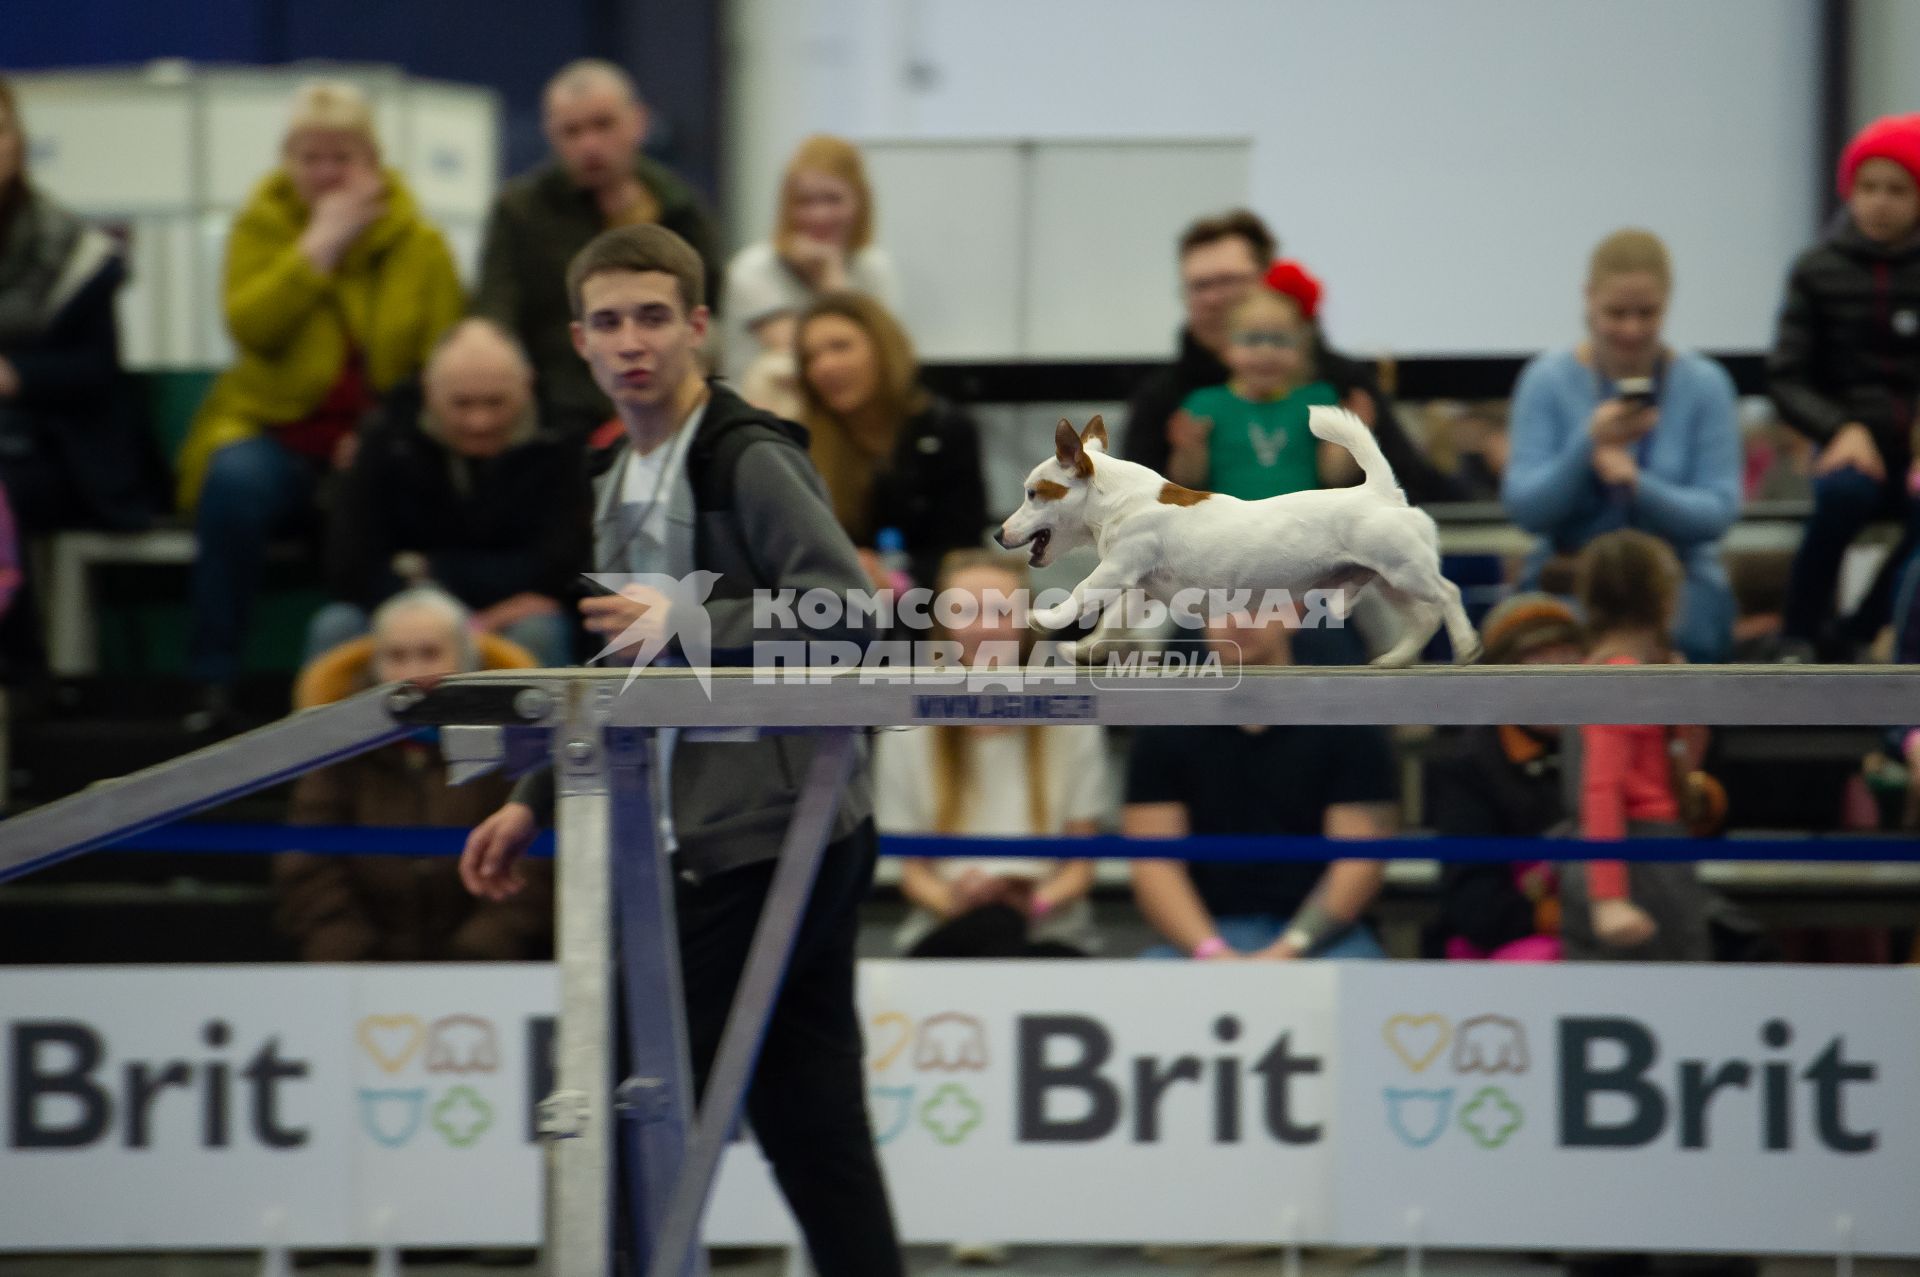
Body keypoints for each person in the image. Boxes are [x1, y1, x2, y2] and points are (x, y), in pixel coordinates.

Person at [459, 225, 903, 1275]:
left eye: (653, 316)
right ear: (577, 340)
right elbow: (625, 667)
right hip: (734, 829)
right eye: (608, 322)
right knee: (814, 1125)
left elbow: (853, 615)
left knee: (622, 1101)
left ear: (700, 325)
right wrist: (531, 792)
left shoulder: (749, 453)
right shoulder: (614, 468)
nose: (632, 342)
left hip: (765, 833)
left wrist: (695, 618)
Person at [180, 80, 464, 719]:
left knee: (395, 492)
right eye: (311, 157)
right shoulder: (260, 227)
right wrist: (319, 246)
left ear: (373, 161)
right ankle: (212, 680)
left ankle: (390, 680)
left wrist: (378, 435)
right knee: (232, 483)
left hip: (377, 437)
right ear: (288, 160)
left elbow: (439, 363)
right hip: (273, 430)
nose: (326, 173)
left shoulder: (419, 243)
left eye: (342, 157)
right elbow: (251, 326)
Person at [1502, 228, 1742, 664]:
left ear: (1668, 303)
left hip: (1676, 578)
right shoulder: (1547, 381)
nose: (1632, 330)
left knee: (1693, 633)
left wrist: (1637, 484)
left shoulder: (1704, 385)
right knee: (1541, 642)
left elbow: (1717, 513)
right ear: (1588, 298)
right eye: (1616, 313)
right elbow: (1527, 510)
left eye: (1647, 313)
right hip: (1571, 574)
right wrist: (1586, 446)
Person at [277, 588, 552, 962]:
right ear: (375, 667)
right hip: (358, 979)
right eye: (396, 656)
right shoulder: (337, 752)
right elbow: (308, 866)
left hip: (491, 974)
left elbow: (533, 868)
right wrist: (350, 957)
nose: (411, 672)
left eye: (430, 653)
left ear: (468, 661)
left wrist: (482, 952)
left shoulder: (515, 745)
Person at [1121, 207, 1460, 505]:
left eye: (1229, 281)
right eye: (1199, 286)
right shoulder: (1164, 397)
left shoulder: (1338, 383)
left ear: (1268, 281)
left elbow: (1408, 484)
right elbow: (1138, 503)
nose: (1213, 298)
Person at [307, 318, 590, 669]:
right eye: (462, 404)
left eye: (495, 402)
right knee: (336, 627)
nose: (479, 421)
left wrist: (425, 569)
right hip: (404, 616)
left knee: (539, 631)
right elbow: (350, 567)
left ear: (526, 384)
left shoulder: (563, 442)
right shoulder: (385, 439)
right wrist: (434, 618)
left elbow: (560, 569)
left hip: (511, 621)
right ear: (429, 389)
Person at [1123, 609, 1398, 959]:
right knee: (1152, 982)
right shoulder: (1164, 722)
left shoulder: (1347, 717)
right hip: (1199, 939)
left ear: (1294, 612)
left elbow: (1359, 859)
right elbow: (1154, 863)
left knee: (1362, 978)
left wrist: (1289, 948)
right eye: (1219, 608)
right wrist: (1212, 952)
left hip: (1323, 941)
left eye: (1256, 605)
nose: (1237, 621)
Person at [874, 550, 1108, 957]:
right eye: (966, 612)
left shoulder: (1073, 723)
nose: (985, 628)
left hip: (1049, 934)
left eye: (1001, 612)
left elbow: (1079, 866)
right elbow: (912, 872)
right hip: (946, 931)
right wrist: (956, 903)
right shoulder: (906, 729)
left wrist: (1032, 903)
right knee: (987, 932)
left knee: (1007, 936)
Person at [475, 60, 723, 441]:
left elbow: (713, 312)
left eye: (603, 125)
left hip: (666, 405)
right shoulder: (519, 210)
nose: (589, 144)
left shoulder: (680, 208)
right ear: (550, 135)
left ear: (638, 122)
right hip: (552, 415)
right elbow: (495, 316)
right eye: (571, 132)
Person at [1770, 113, 1920, 659]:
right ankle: (1798, 633)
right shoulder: (1816, 270)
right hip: (1849, 445)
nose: (1879, 202)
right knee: (1842, 498)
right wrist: (1840, 428)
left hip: (1915, 452)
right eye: (1868, 187)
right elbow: (1787, 376)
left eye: (1897, 190)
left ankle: (1861, 628)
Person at [0, 77, 146, 536]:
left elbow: (96, 369)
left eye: (0, 129)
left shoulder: (73, 250)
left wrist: (14, 376)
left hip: (49, 445)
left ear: (20, 142)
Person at [1562, 529, 1714, 962]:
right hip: (1634, 864)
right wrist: (1608, 897)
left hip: (1641, 853)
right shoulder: (1620, 677)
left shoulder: (1621, 672)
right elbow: (1601, 787)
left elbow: (1681, 769)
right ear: (1664, 599)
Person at [1426, 594, 1587, 962]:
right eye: (1537, 657)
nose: (1557, 672)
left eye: (1568, 653)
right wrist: (1571, 917)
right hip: (1513, 952)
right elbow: (1475, 906)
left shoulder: (1609, 742)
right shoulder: (1470, 765)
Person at [794, 291, 986, 587]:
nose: (824, 366)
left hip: (934, 608)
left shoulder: (945, 429)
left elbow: (964, 547)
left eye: (840, 347)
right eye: (810, 357)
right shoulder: (803, 442)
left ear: (883, 349)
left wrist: (894, 580)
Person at [721, 134, 898, 375]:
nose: (819, 215)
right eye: (805, 202)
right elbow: (818, 360)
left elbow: (883, 360)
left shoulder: (873, 267)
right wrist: (830, 280)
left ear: (860, 203)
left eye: (833, 199)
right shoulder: (754, 269)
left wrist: (830, 274)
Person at [1166, 261, 1341, 497]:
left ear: (1300, 349)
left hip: (1300, 526)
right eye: (1252, 340)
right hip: (1232, 526)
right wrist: (1189, 447)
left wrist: (1350, 438)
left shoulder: (1318, 399)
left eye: (1279, 340)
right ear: (1226, 348)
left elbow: (1335, 477)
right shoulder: (1206, 403)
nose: (1266, 352)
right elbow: (1188, 480)